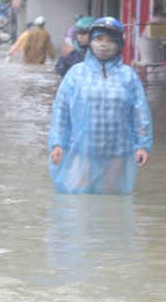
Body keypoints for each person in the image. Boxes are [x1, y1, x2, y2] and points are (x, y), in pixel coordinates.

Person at [48, 16, 152, 194]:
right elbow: (61, 111)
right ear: (90, 42)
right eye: (99, 39)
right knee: (80, 200)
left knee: (111, 199)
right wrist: (58, 143)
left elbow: (140, 113)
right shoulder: (76, 74)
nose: (104, 44)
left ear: (119, 44)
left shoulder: (128, 76)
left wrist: (142, 145)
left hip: (118, 150)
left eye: (111, 40)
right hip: (83, 149)